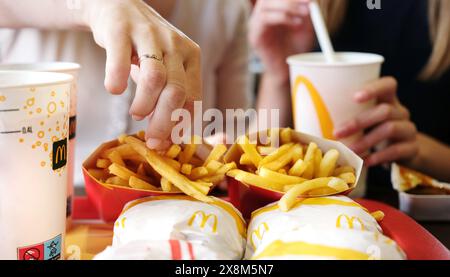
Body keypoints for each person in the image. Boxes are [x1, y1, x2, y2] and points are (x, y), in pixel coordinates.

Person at [0, 0, 252, 187]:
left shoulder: (227, 9)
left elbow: (237, 137)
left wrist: (219, 153)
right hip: (35, 206)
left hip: (180, 212)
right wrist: (98, 7)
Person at [249, 0, 450, 200]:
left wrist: (418, 151)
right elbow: (259, 163)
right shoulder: (308, 8)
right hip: (308, 209)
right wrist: (278, 76)